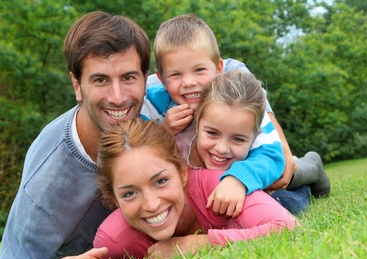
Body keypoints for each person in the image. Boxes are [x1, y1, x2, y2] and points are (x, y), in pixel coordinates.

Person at [0, 11, 151, 259]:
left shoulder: (156, 107)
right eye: (100, 80)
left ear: (145, 78)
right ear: (77, 86)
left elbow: (222, 71)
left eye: (128, 77)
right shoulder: (48, 180)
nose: (118, 97)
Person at [140, 14, 330, 215]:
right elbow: (137, 152)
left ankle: (311, 170)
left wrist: (240, 178)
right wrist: (162, 132)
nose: (188, 82)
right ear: (161, 79)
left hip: (252, 178)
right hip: (204, 192)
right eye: (176, 74)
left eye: (199, 70)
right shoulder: (153, 108)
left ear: (218, 69)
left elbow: (271, 153)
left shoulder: (236, 98)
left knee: (284, 199)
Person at [93, 118, 300, 259]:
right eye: (129, 194)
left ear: (183, 173)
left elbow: (290, 228)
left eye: (161, 181)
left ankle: (310, 167)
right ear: (115, 200)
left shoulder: (219, 188)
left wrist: (202, 243)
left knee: (291, 197)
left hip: (273, 191)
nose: (152, 204)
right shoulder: (113, 241)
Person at [187, 70, 311, 215]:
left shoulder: (263, 145)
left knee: (286, 203)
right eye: (212, 133)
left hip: (279, 180)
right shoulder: (182, 144)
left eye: (237, 139)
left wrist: (238, 179)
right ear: (196, 125)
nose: (221, 149)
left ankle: (313, 168)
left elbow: (272, 159)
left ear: (255, 138)